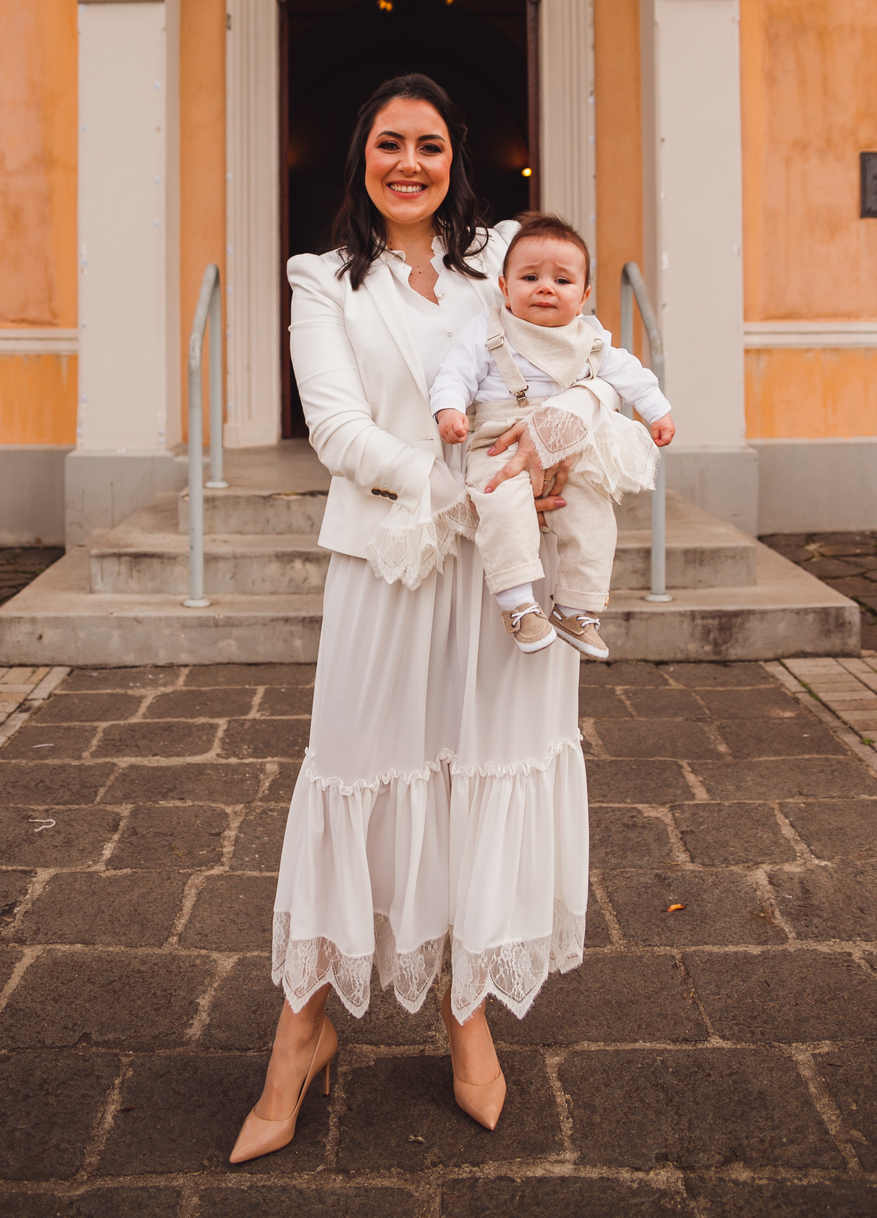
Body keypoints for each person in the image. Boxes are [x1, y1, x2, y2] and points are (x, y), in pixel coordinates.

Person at [230, 74, 589, 1164]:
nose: (410, 164)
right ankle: (303, 1030)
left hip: (504, 574)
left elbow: (575, 354)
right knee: (359, 768)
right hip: (389, 565)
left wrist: (552, 445)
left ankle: (465, 1010)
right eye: (390, 144)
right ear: (362, 157)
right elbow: (336, 428)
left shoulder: (500, 258)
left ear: (455, 157)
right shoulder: (324, 281)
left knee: (480, 769)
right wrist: (456, 486)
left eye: (428, 145)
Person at [429, 212, 675, 659]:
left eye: (562, 281)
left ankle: (577, 608)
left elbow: (630, 374)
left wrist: (657, 410)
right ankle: (518, 604)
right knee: (499, 500)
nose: (545, 287)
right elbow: (454, 374)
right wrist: (449, 410)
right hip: (496, 438)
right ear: (504, 288)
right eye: (530, 277)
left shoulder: (591, 336)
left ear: (583, 296)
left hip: (568, 447)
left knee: (594, 515)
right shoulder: (488, 328)